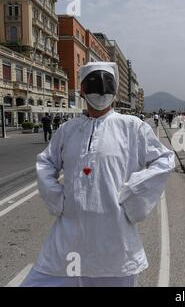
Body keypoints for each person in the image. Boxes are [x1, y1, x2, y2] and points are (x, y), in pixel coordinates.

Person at [21, 62, 175, 287]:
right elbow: (46, 162)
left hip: (114, 244)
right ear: (82, 89)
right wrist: (57, 199)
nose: (101, 90)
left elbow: (165, 160)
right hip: (67, 241)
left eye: (106, 84)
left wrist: (133, 196)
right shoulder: (68, 130)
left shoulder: (133, 128)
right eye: (94, 83)